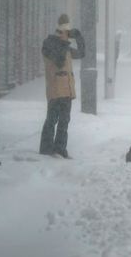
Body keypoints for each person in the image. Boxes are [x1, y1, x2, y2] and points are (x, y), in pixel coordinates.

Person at [39, 13, 85, 158]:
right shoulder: (49, 44)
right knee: (52, 119)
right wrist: (63, 40)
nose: (67, 35)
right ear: (59, 32)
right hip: (55, 89)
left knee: (64, 121)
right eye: (66, 32)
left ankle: (60, 149)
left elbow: (82, 53)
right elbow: (58, 60)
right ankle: (46, 149)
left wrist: (78, 36)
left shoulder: (65, 47)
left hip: (67, 90)